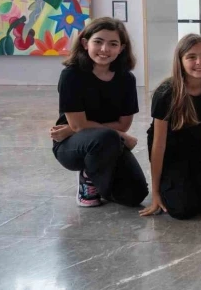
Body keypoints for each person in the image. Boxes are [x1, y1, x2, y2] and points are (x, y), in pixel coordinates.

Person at [50, 17, 148, 208]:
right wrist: (120, 135)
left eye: (113, 44)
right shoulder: (71, 75)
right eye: (98, 42)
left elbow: (123, 124)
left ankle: (101, 178)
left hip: (103, 140)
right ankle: (87, 178)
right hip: (71, 145)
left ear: (121, 48)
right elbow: (80, 125)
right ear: (85, 43)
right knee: (105, 137)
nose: (104, 49)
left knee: (134, 195)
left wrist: (72, 128)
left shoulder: (126, 79)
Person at [140, 34, 201, 219]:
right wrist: (155, 192)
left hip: (198, 148)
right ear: (180, 61)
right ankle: (168, 184)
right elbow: (158, 144)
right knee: (183, 209)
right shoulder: (166, 93)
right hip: (172, 152)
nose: (199, 62)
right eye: (191, 57)